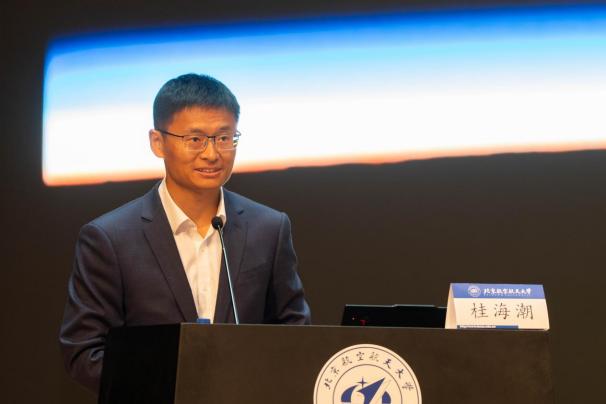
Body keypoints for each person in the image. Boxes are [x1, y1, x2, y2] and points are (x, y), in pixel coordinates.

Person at [59, 73, 311, 393]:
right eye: (195, 139)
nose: (212, 153)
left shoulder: (269, 228)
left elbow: (295, 335)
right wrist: (175, 384)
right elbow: (84, 352)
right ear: (158, 142)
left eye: (224, 137)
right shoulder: (110, 238)